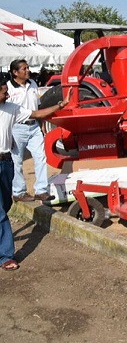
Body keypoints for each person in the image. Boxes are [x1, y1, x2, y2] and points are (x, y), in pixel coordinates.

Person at [0, 72, 71, 270]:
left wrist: (60, 105)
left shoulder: (12, 108)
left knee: (5, 204)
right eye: (4, 92)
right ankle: (6, 256)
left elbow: (36, 114)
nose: (7, 95)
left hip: (5, 164)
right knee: (0, 213)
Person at [7, 60, 51, 202]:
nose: (28, 70)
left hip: (34, 127)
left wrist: (42, 124)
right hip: (16, 127)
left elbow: (37, 106)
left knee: (41, 157)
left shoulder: (32, 83)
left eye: (28, 68)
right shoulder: (8, 88)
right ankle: (18, 192)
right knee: (17, 161)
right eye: (24, 69)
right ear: (15, 72)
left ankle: (41, 190)